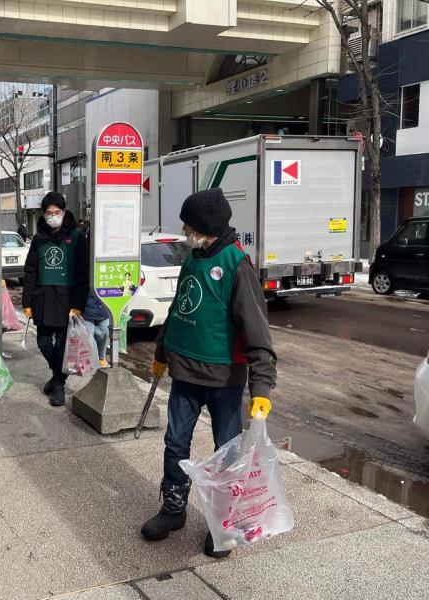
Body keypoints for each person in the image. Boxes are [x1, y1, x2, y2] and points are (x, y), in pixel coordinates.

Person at [140, 188, 277, 559]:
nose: (185, 231)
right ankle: (173, 509)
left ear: (207, 228)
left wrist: (261, 388)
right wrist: (162, 352)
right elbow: (179, 310)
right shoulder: (193, 258)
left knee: (226, 455)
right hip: (184, 373)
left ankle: (223, 523)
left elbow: (258, 333)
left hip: (223, 380)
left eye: (189, 226)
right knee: (175, 443)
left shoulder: (236, 265)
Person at [22, 191, 89, 407]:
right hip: (43, 297)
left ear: (64, 211)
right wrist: (27, 301)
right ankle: (58, 375)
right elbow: (30, 270)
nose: (53, 216)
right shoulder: (39, 238)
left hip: (67, 298)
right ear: (44, 214)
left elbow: (83, 272)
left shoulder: (76, 236)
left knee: (61, 345)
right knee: (43, 342)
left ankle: (59, 385)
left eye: (57, 212)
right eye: (49, 213)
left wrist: (78, 304)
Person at [82, 292, 110, 368]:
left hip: (104, 308)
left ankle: (101, 358)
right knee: (88, 337)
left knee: (104, 333)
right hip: (86, 309)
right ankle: (91, 360)